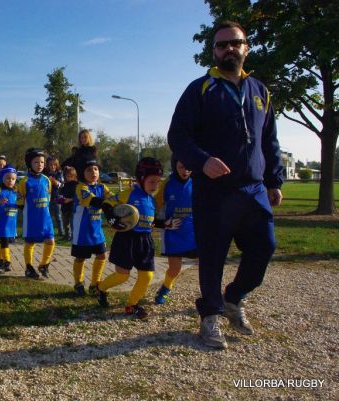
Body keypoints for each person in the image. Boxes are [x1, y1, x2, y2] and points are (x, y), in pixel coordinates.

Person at [167, 20, 283, 349]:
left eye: (235, 43)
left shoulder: (261, 91)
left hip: (254, 191)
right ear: (214, 52)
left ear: (246, 47)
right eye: (221, 45)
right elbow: (177, 136)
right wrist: (202, 161)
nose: (228, 49)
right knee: (213, 257)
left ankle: (234, 298)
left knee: (265, 247)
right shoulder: (200, 89)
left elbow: (269, 140)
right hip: (215, 193)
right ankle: (211, 316)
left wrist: (274, 179)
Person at [95, 158, 164, 320]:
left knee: (147, 275)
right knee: (123, 275)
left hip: (145, 240)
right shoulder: (128, 193)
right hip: (127, 239)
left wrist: (165, 224)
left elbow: (151, 220)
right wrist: (111, 217)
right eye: (152, 181)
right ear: (141, 179)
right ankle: (101, 288)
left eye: (158, 182)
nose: (155, 185)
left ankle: (131, 304)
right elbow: (107, 203)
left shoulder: (151, 199)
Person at [153, 157, 197, 304]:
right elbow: (152, 208)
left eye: (188, 167)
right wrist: (163, 223)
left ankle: (210, 296)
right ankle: (165, 288)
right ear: (174, 166)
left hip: (193, 233)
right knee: (175, 268)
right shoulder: (167, 184)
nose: (185, 171)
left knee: (206, 264)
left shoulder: (198, 182)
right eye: (181, 167)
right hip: (173, 234)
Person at [70, 158, 112, 296]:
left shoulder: (102, 188)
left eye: (96, 169)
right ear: (83, 173)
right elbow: (92, 200)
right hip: (82, 232)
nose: (93, 172)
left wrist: (129, 194)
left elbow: (113, 198)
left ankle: (95, 284)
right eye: (89, 170)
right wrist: (106, 204)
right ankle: (78, 283)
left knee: (101, 255)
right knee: (80, 258)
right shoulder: (81, 187)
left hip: (96, 231)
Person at [17, 148, 55, 279]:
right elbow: (20, 200)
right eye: (36, 162)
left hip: (46, 218)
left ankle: (44, 264)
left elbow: (48, 196)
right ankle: (29, 267)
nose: (40, 165)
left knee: (50, 240)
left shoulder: (46, 180)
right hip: (31, 218)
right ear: (29, 164)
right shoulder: (24, 182)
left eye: (42, 162)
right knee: (30, 242)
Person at [0, 165, 19, 272]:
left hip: (12, 222)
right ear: (2, 178)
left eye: (13, 179)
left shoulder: (15, 191)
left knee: (6, 241)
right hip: (1, 221)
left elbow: (20, 203)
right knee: (4, 240)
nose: (10, 181)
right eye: (7, 178)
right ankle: (7, 261)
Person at [45, 156, 65, 237]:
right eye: (50, 165)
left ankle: (61, 232)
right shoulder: (45, 174)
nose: (53, 166)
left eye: (54, 165)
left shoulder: (59, 173)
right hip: (47, 197)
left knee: (58, 215)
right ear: (47, 165)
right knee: (48, 215)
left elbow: (62, 184)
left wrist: (55, 182)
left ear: (57, 165)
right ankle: (48, 231)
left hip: (57, 197)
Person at [58, 166, 78, 240]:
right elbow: (61, 193)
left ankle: (74, 236)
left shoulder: (76, 184)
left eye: (71, 176)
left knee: (73, 222)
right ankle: (67, 235)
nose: (69, 177)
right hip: (65, 207)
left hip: (72, 206)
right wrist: (61, 197)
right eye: (68, 176)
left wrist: (70, 199)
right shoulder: (65, 184)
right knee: (65, 222)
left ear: (74, 176)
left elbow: (77, 196)